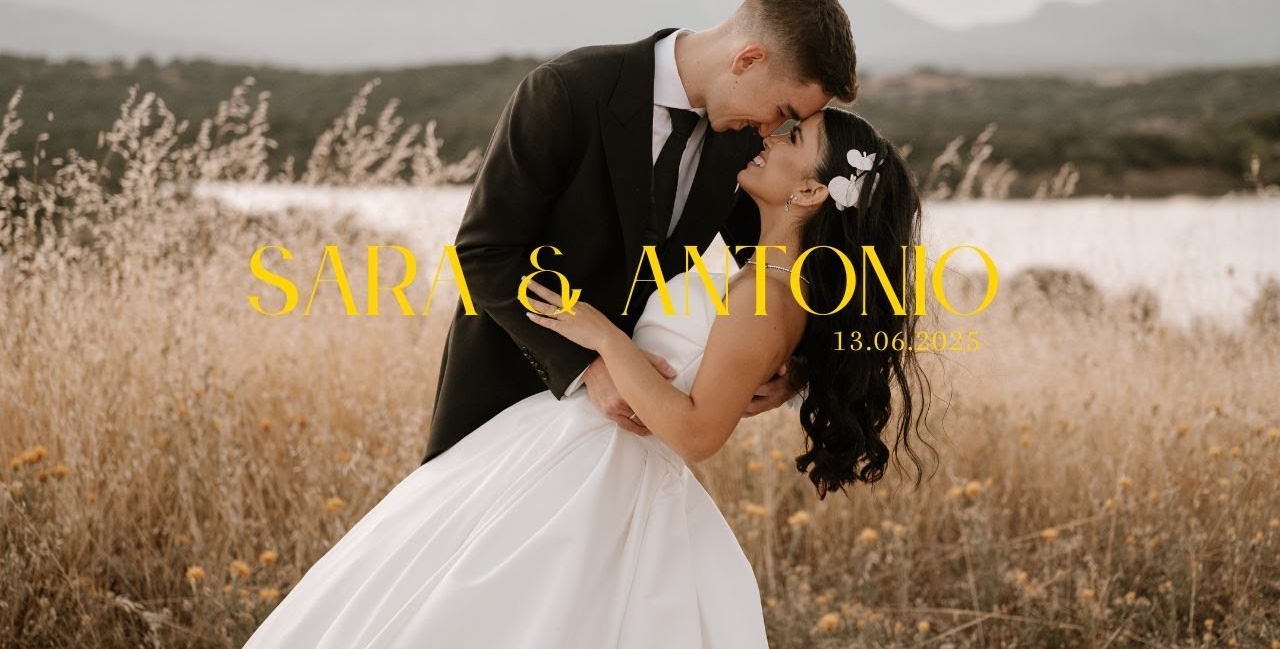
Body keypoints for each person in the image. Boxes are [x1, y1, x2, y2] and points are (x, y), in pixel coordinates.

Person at [241, 106, 932, 648]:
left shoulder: (767, 293)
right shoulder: (763, 271)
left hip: (602, 471)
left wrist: (601, 337)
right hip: (567, 449)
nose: (771, 137)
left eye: (793, 137)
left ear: (810, 189)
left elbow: (696, 434)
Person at [422, 0, 858, 465]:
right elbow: (483, 254)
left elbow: (788, 265)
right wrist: (587, 365)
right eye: (781, 111)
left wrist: (795, 368)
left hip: (629, 438)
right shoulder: (567, 91)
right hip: (503, 400)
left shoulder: (743, 142)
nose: (772, 131)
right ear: (748, 59)